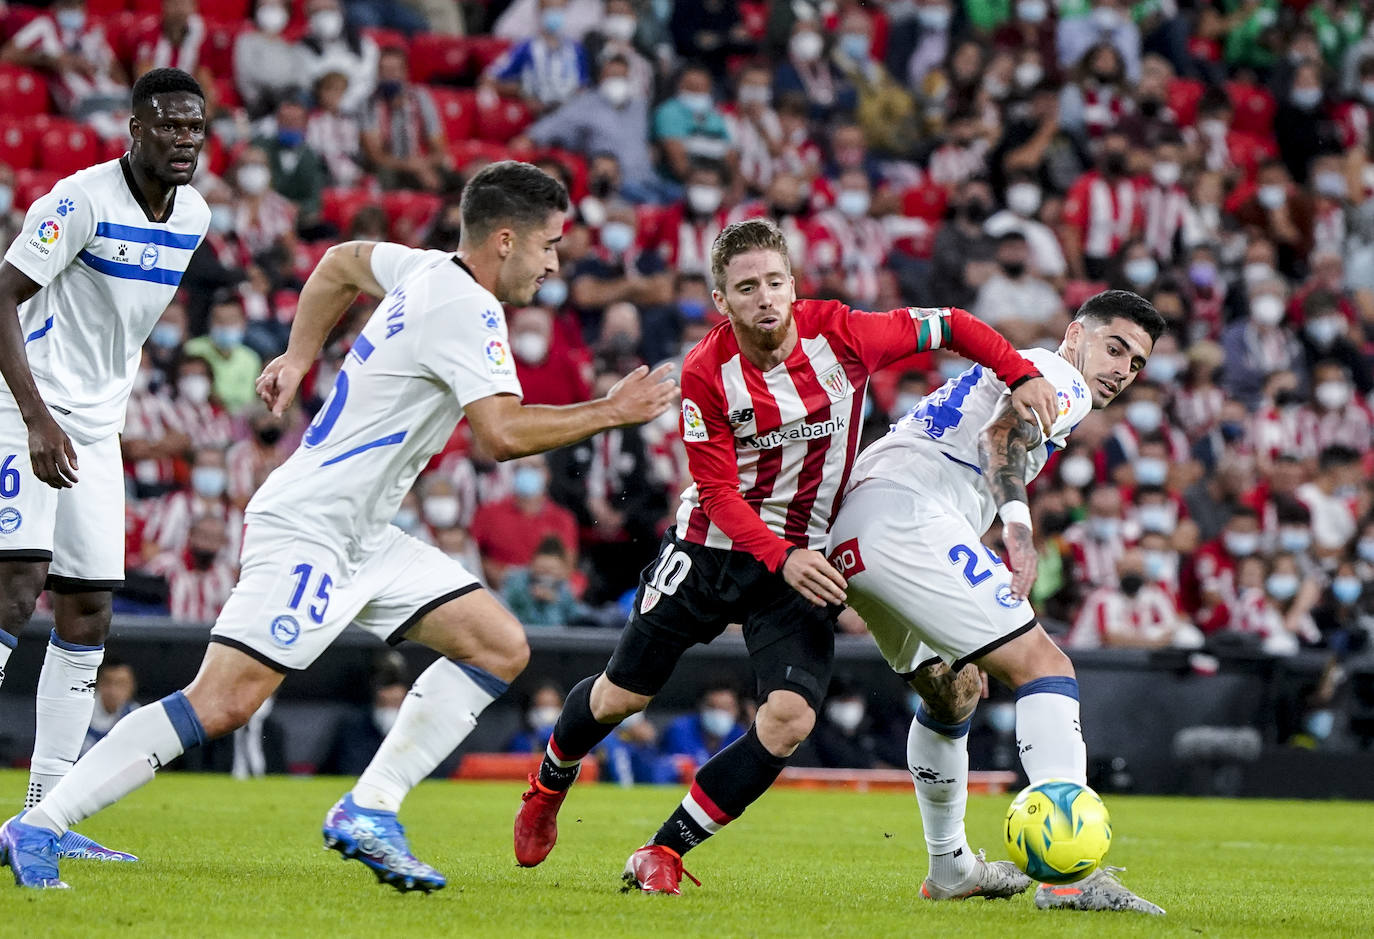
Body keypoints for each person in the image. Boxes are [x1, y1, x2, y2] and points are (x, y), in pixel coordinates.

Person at [3, 160, 678, 892]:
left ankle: (370, 807)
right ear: (506, 240)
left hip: (365, 534)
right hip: (311, 529)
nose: (555, 262)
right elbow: (501, 434)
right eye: (550, 244)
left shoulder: (422, 267)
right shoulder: (467, 305)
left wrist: (298, 356)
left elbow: (339, 263)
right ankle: (39, 824)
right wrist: (612, 410)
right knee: (222, 700)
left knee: (498, 643)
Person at [513, 217, 1056, 894]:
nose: (765, 297)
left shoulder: (845, 333)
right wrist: (780, 554)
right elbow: (715, 488)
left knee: (790, 717)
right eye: (747, 288)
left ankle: (665, 849)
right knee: (623, 695)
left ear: (792, 285)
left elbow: (949, 323)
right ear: (722, 301)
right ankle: (548, 781)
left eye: (775, 282)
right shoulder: (705, 372)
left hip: (804, 560)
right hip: (714, 547)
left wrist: (1019, 370)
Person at [827, 289, 1167, 914]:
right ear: (1075, 336)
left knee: (951, 691)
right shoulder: (1061, 380)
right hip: (905, 518)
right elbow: (1002, 434)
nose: (1121, 370)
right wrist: (1017, 529)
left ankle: (950, 867)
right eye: (1114, 348)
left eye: (1136, 364)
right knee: (1046, 667)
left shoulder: (1024, 365)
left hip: (858, 527)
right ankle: (1071, 877)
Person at [0, 68, 210, 867]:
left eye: (195, 127)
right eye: (168, 125)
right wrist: (35, 416)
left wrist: (88, 413)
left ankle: (41, 818)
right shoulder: (78, 201)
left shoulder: (193, 215)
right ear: (133, 128)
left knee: (87, 610)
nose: (184, 139)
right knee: (16, 588)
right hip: (26, 408)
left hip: (95, 424)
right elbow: (2, 296)